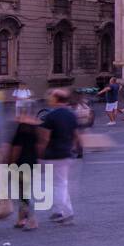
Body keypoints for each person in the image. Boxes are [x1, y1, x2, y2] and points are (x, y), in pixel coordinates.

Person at [37, 89, 78, 224]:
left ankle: (65, 212)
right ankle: (59, 210)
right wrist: (72, 147)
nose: (49, 99)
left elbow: (45, 138)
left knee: (59, 183)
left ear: (56, 99)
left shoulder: (51, 116)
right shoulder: (71, 115)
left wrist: (40, 153)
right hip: (65, 153)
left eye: (51, 97)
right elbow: (75, 135)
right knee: (59, 182)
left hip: (53, 154)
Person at [7, 103, 42, 230]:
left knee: (23, 193)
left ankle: (31, 219)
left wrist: (11, 163)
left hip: (21, 163)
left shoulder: (22, 127)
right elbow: (40, 145)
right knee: (23, 191)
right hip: (32, 161)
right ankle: (21, 218)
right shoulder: (35, 126)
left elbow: (17, 148)